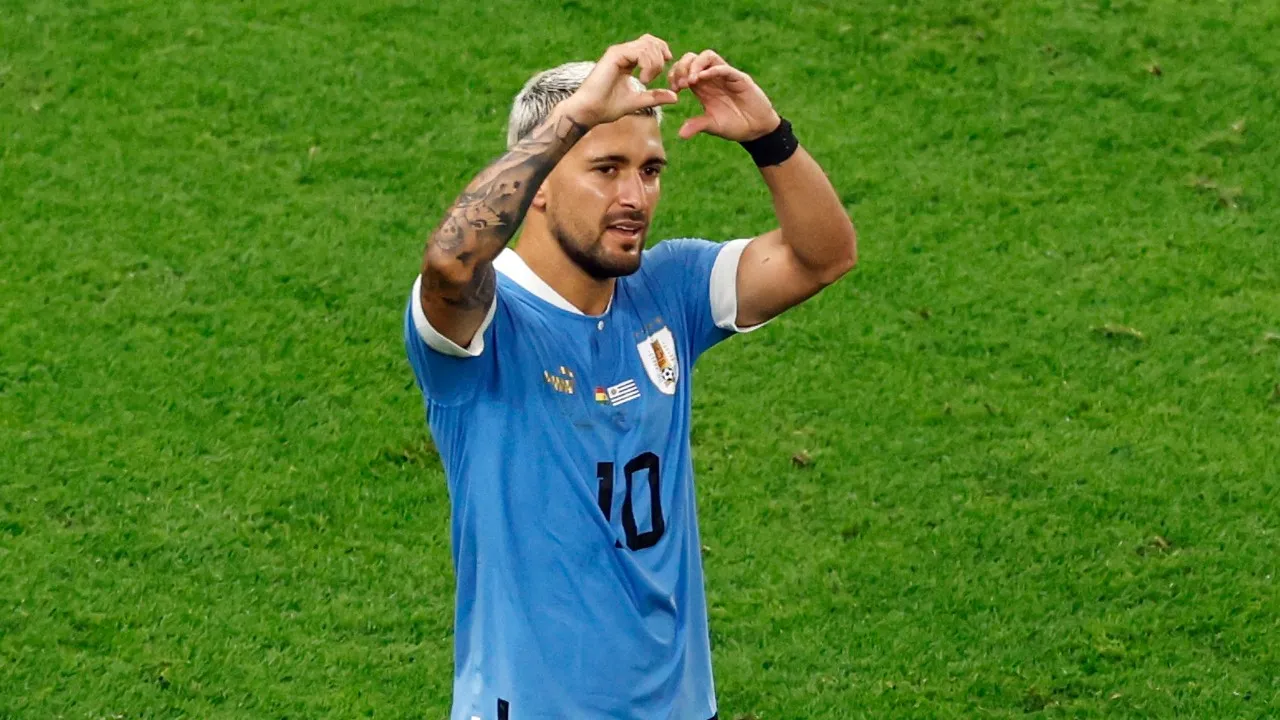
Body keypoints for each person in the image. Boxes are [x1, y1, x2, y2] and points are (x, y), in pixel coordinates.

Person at [404, 33, 857, 720]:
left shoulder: (668, 289)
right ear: (541, 185)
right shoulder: (483, 328)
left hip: (678, 706)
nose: (635, 196)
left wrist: (769, 136)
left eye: (649, 170)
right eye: (606, 168)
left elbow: (823, 256)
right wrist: (571, 119)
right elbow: (447, 263)